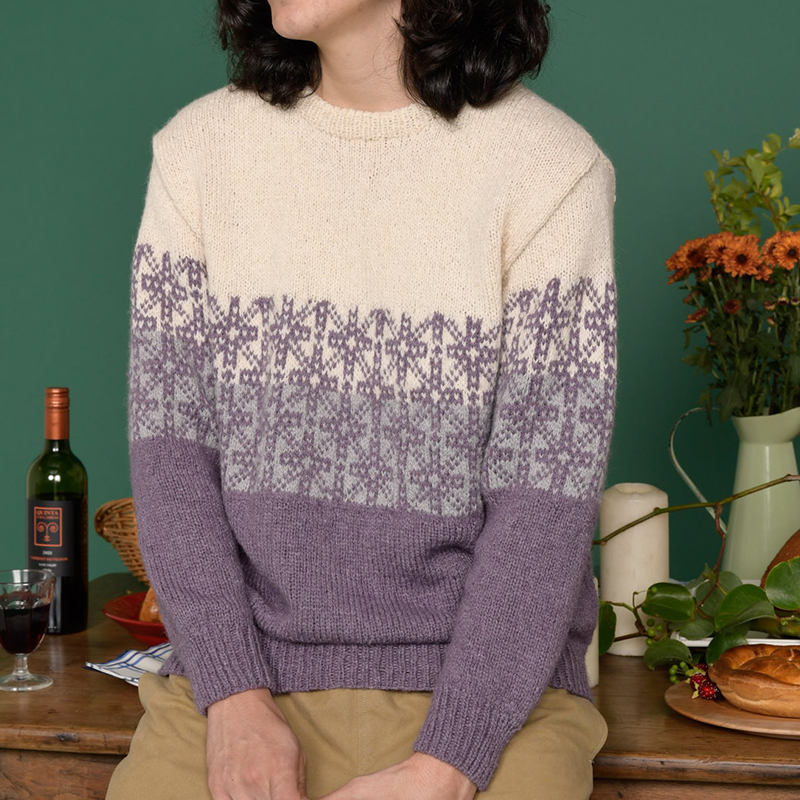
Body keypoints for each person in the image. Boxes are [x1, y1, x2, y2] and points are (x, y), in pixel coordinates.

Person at [106, 0, 618, 798]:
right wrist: (234, 698)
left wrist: (450, 762)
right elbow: (172, 461)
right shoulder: (198, 152)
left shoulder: (552, 168)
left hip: (490, 699)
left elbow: (543, 506)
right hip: (242, 686)